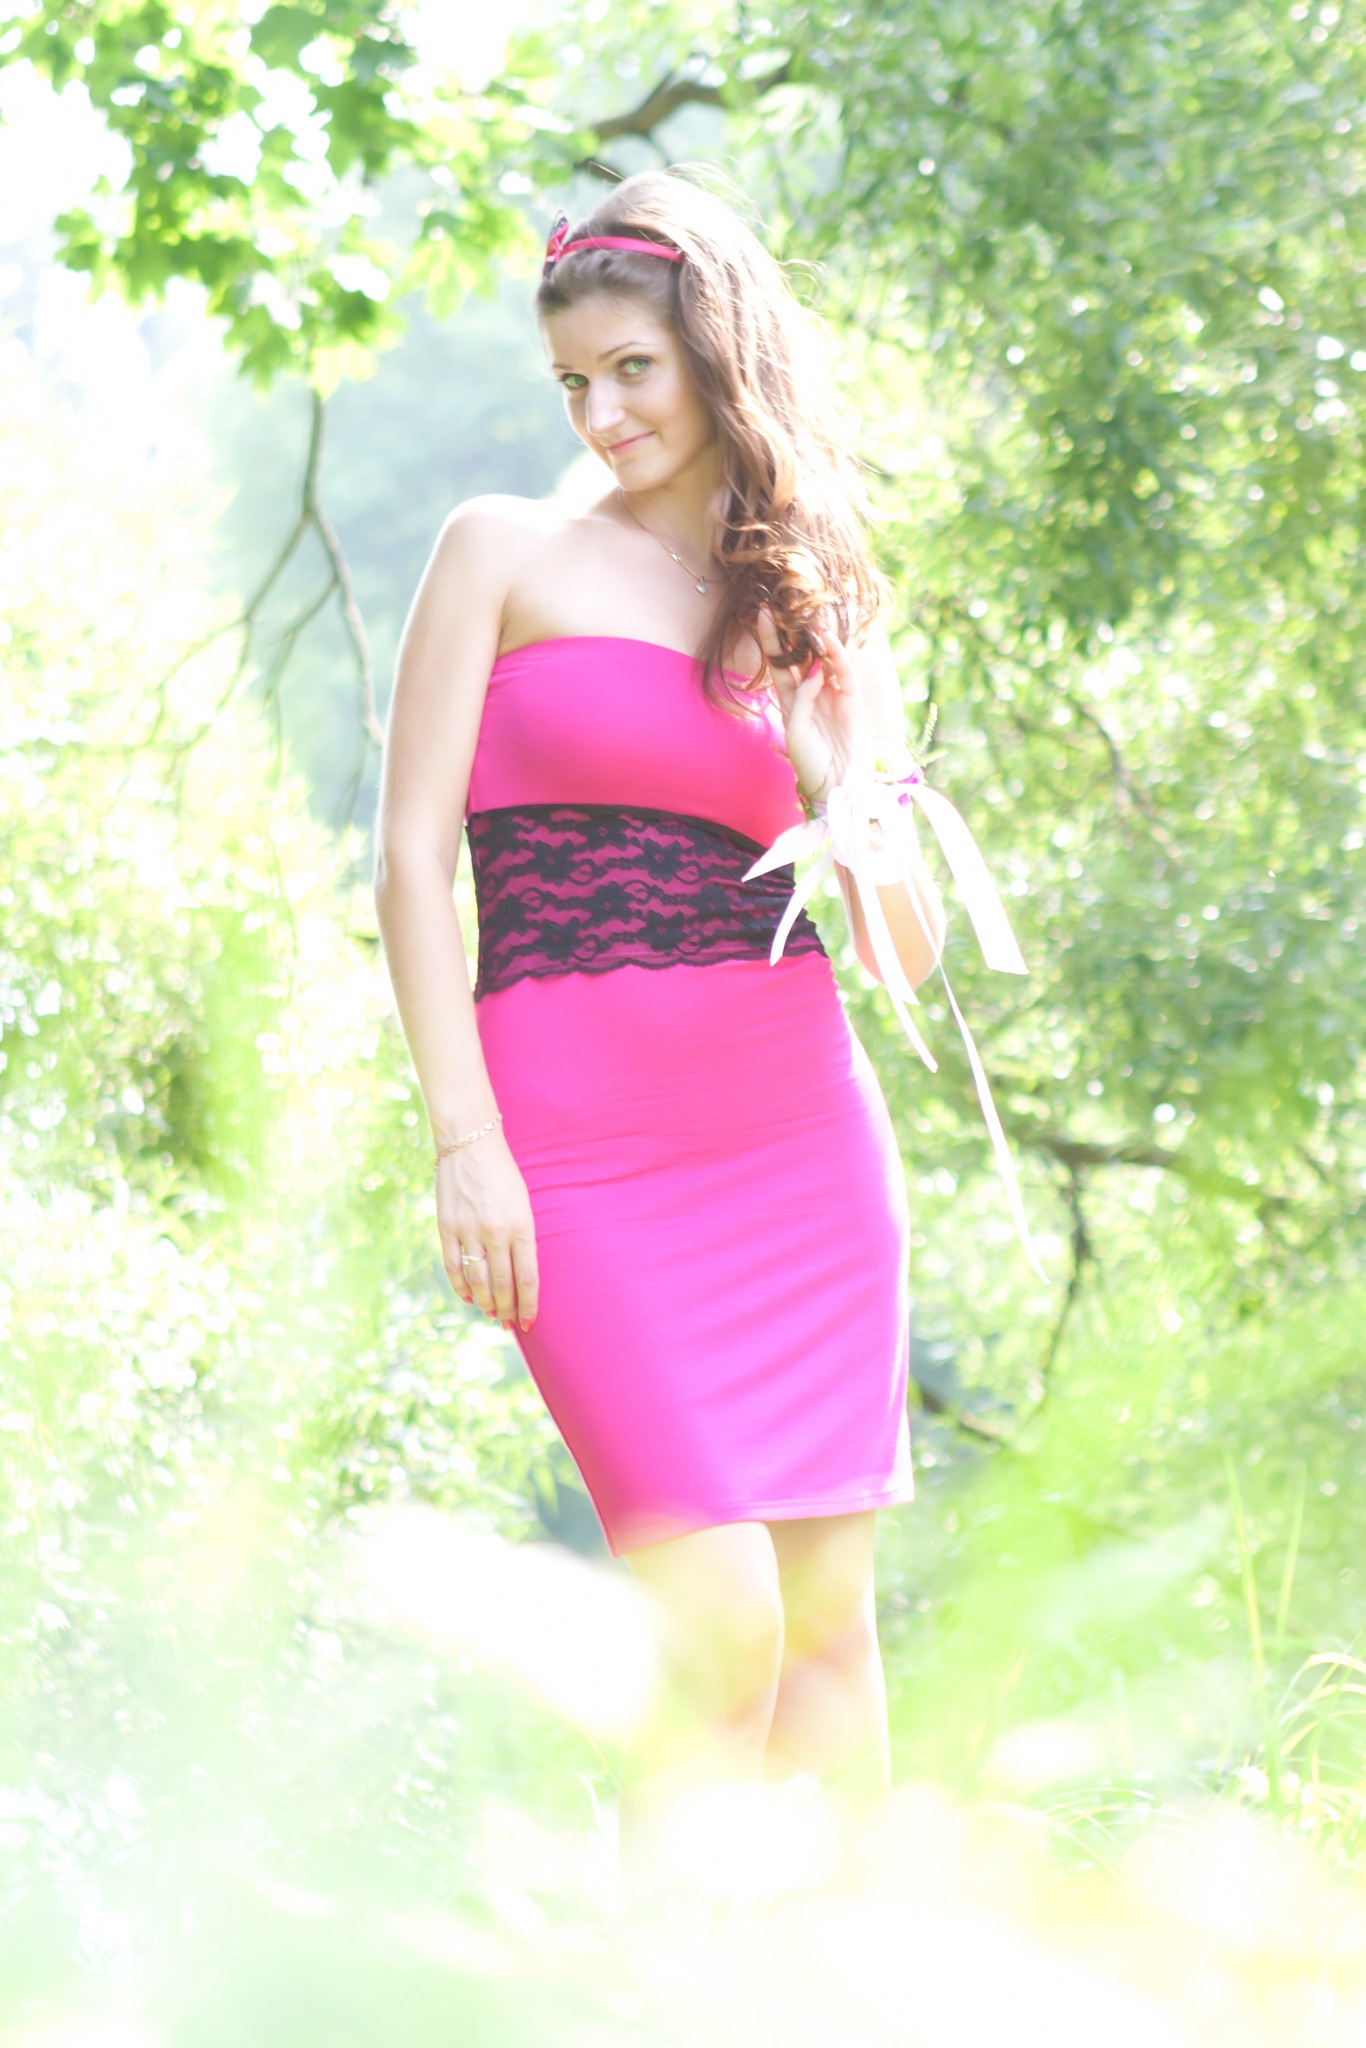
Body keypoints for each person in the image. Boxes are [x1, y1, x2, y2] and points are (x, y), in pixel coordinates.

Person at [373, 169, 948, 1903]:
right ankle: (651, 1994)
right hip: (576, 1152)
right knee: (724, 1624)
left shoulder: (807, 615)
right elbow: (407, 862)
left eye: (632, 369)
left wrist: (846, 776)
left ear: (714, 356)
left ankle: (857, 1995)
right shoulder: (502, 550)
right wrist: (463, 1141)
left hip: (796, 1140)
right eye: (573, 382)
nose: (602, 413)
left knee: (829, 1648)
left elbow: (903, 957)